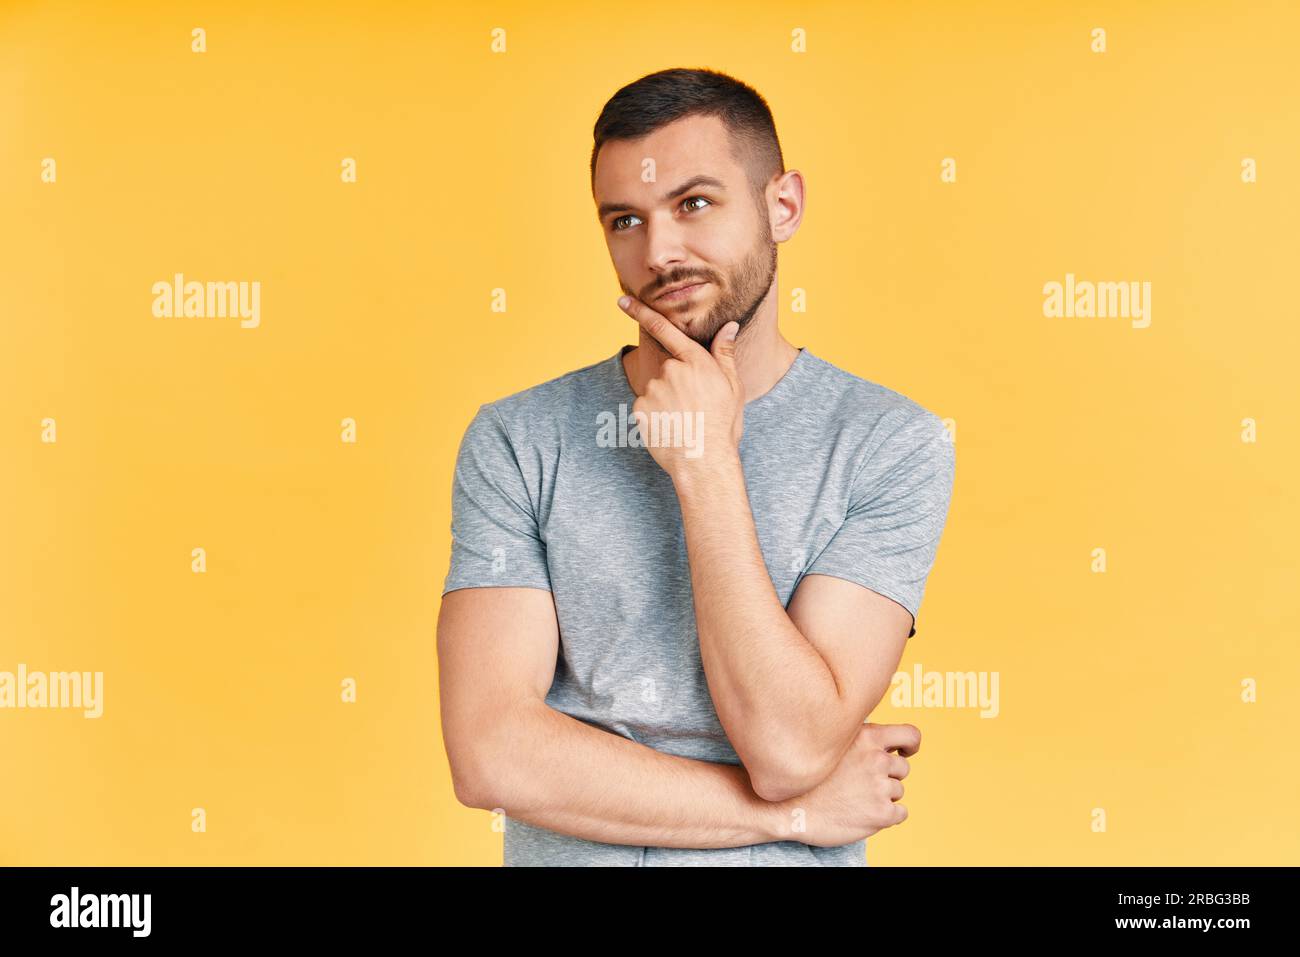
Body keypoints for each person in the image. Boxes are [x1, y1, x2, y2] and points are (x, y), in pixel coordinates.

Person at [436, 67, 956, 866]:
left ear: (781, 206)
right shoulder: (518, 436)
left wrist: (705, 464)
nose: (660, 251)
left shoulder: (890, 443)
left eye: (695, 203)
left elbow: (788, 744)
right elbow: (492, 752)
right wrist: (792, 814)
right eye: (625, 220)